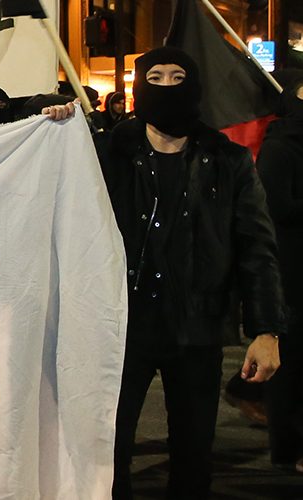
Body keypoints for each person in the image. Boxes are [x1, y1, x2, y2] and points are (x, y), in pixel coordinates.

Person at [99, 47, 285, 500]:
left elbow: (256, 249)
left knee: (194, 457)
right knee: (107, 452)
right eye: (155, 77)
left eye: (177, 76)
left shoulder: (229, 160)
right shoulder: (107, 154)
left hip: (197, 329)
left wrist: (266, 329)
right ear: (140, 86)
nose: (166, 86)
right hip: (123, 328)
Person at [256, 79, 303, 474]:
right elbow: (277, 208)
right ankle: (289, 448)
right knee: (291, 366)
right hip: (291, 271)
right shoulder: (279, 147)